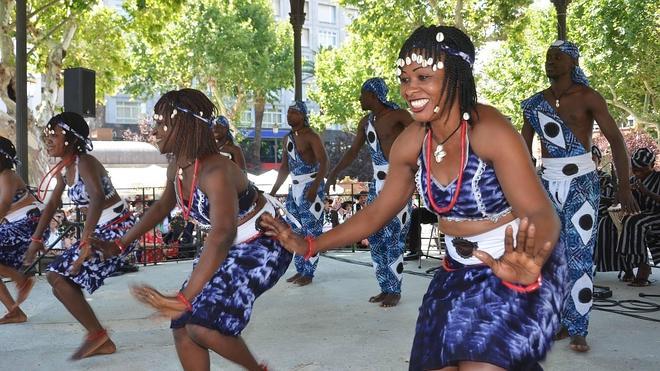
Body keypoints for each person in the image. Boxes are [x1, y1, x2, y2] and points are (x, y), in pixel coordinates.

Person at [260, 25, 566, 370]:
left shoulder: (489, 130)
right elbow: (376, 213)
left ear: (455, 76)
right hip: (455, 270)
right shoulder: (411, 142)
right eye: (405, 79)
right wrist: (310, 245)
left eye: (423, 76)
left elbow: (541, 213)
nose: (410, 89)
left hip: (514, 266)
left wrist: (533, 263)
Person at [91, 89, 290, 371]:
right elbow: (161, 208)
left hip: (264, 244)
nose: (155, 131)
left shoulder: (217, 171)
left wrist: (184, 297)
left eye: (162, 124)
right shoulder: (178, 167)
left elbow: (222, 235)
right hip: (229, 243)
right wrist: (120, 244)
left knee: (203, 326)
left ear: (184, 126)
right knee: (182, 326)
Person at [521, 40, 639, 352]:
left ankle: (578, 327)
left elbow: (616, 140)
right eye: (548, 57)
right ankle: (556, 321)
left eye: (558, 57)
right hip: (547, 183)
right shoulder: (534, 104)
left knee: (579, 256)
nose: (551, 62)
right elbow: (522, 149)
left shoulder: (588, 97)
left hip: (582, 183)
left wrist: (624, 186)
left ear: (573, 62)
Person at [23, 112, 137, 359]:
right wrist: (35, 240)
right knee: (57, 279)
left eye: (55, 134)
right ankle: (98, 336)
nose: (49, 140)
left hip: (119, 227)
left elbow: (96, 197)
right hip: (101, 228)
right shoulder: (64, 171)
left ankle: (98, 336)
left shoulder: (85, 162)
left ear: (72, 139)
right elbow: (52, 204)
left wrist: (85, 240)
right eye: (47, 135)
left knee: (57, 276)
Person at [326, 77, 415, 307]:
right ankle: (385, 286)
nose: (359, 98)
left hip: (399, 180)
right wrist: (334, 172)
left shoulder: (399, 116)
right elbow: (353, 151)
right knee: (375, 236)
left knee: (393, 236)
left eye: (362, 94)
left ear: (373, 95)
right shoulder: (366, 122)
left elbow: (423, 138)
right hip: (377, 184)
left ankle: (395, 290)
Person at [270, 101, 327, 286]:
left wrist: (315, 187)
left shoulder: (312, 136)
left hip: (311, 186)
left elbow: (325, 162)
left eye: (293, 112)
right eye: (288, 112)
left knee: (312, 232)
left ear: (303, 116)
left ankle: (309, 273)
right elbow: (285, 167)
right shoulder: (288, 138)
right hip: (293, 189)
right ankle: (300, 269)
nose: (289, 116)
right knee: (295, 231)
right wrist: (273, 192)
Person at [0, 136, 46, 324]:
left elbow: (3, 204)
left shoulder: (7, 175)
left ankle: (20, 278)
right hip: (21, 225)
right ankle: (15, 311)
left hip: (29, 223)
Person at [616, 148, 660, 286]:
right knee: (614, 223)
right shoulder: (633, 180)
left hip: (657, 216)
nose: (637, 171)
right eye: (635, 168)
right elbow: (619, 201)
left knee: (635, 223)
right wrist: (625, 192)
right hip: (644, 216)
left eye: (642, 168)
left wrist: (647, 192)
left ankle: (643, 272)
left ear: (652, 166)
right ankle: (628, 268)